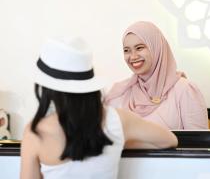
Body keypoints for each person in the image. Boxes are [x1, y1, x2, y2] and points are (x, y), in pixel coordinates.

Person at [20, 38, 177, 179]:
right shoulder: (120, 120)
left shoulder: (35, 132)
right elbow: (169, 140)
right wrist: (119, 140)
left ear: (47, 88)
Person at [105, 21, 208, 130]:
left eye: (139, 48)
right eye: (127, 50)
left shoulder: (184, 90)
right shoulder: (121, 92)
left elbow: (199, 144)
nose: (133, 56)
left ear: (156, 48)